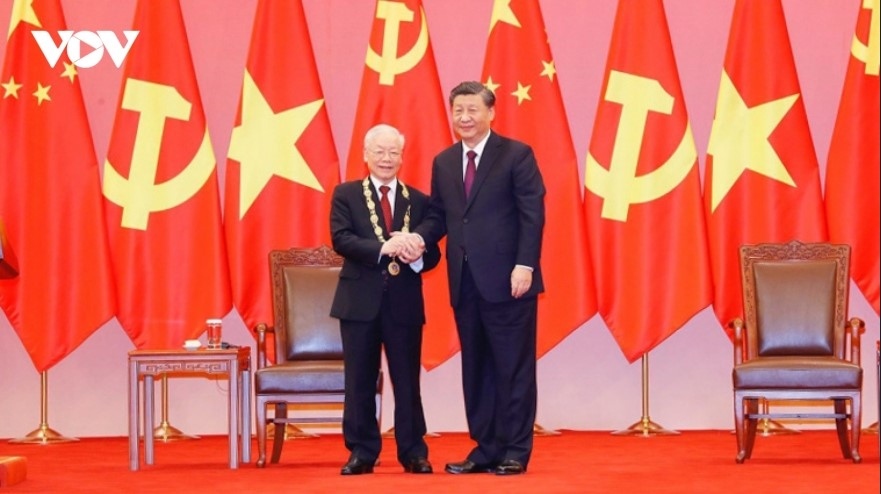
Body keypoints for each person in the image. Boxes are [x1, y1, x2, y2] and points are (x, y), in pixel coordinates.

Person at [397, 81, 546, 475]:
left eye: (472, 110)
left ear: (491, 113)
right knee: (476, 368)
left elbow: (533, 214)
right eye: (458, 110)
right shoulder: (444, 161)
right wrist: (416, 238)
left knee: (512, 367)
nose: (464, 117)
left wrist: (525, 264)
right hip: (464, 282)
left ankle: (515, 449)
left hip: (510, 280)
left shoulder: (516, 154)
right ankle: (485, 448)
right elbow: (439, 217)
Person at [329, 123, 440, 476]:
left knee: (407, 381)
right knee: (359, 379)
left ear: (402, 157)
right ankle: (362, 451)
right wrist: (383, 248)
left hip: (404, 303)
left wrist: (416, 255)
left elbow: (434, 254)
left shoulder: (419, 200)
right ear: (366, 155)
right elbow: (341, 239)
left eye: (394, 152)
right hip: (358, 301)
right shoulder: (345, 194)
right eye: (380, 151)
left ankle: (413, 452)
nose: (387, 158)